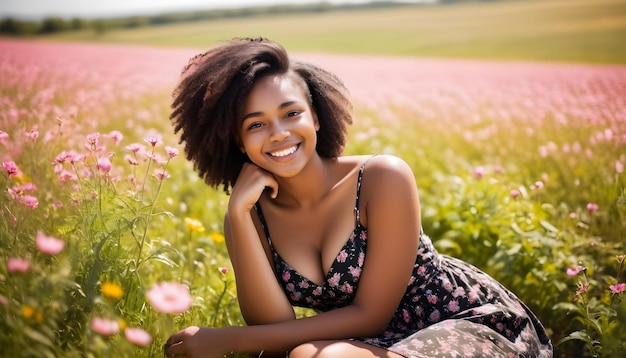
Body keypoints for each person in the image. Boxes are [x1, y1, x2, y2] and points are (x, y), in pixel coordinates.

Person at [164, 37, 553, 358]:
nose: (279, 133)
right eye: (256, 124)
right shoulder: (249, 214)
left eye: (291, 113)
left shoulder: (381, 178)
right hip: (361, 346)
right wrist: (237, 215)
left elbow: (371, 316)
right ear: (237, 140)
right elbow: (272, 332)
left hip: (454, 321)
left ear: (315, 117)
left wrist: (224, 339)